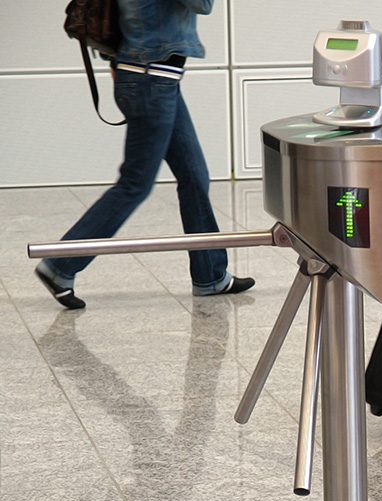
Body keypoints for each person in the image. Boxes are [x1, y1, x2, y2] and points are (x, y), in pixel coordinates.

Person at [35, 0, 253, 310]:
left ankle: (210, 275)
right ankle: (60, 265)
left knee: (194, 176)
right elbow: (203, 5)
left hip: (153, 77)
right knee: (134, 184)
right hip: (151, 79)